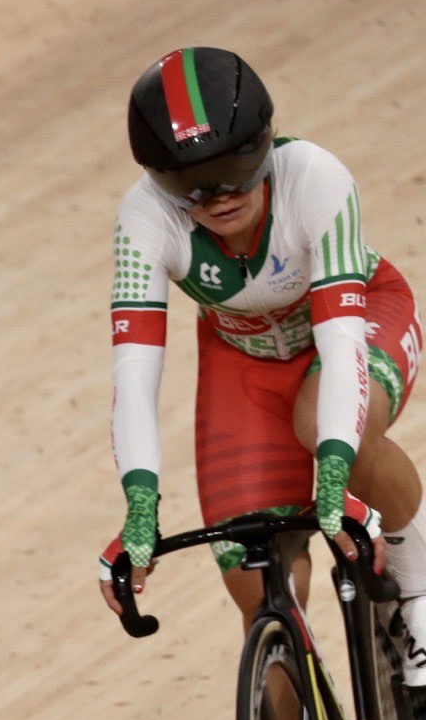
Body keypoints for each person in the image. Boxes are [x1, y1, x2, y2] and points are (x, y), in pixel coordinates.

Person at [100, 48, 426, 664]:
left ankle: (421, 592)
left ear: (264, 142)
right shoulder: (144, 218)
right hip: (243, 366)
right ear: (156, 178)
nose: (217, 194)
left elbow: (340, 343)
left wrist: (333, 473)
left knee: (331, 431)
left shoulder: (314, 175)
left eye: (234, 166)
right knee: (258, 590)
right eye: (187, 182)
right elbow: (134, 377)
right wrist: (140, 507)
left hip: (358, 320)